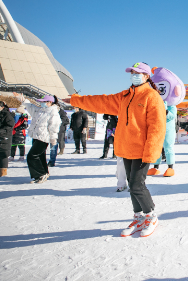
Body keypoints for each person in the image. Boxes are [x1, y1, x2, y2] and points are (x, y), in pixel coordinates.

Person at [63, 62, 166, 237]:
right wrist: (75, 100)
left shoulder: (151, 96)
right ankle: (139, 216)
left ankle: (151, 216)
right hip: (126, 148)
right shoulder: (125, 96)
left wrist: (151, 152)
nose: (134, 75)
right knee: (132, 187)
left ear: (146, 76)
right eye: (132, 72)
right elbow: (101, 101)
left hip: (143, 150)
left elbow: (157, 127)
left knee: (136, 185)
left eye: (138, 72)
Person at [12, 93, 62, 183]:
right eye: (41, 102)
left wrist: (53, 139)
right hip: (36, 136)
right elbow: (30, 106)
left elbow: (54, 126)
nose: (41, 103)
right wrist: (22, 99)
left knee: (32, 156)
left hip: (44, 138)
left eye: (44, 102)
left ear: (50, 102)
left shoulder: (53, 112)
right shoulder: (40, 110)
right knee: (40, 156)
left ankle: (40, 174)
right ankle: (44, 173)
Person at [0, 101, 15, 177]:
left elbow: (10, 126)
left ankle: (3, 171)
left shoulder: (7, 115)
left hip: (4, 137)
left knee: (3, 154)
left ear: (2, 107)